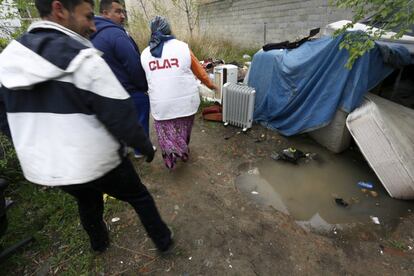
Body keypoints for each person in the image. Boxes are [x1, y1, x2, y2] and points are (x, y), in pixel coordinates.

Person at [0, 0, 172, 253]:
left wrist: (32, 150)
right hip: (96, 160)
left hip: (54, 166)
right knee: (139, 196)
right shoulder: (82, 57)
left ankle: (99, 243)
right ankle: (164, 241)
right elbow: (119, 114)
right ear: (59, 9)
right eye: (88, 16)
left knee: (87, 198)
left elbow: (6, 120)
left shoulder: (9, 59)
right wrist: (144, 146)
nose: (93, 26)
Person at [141, 16, 217, 170]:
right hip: (186, 103)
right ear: (168, 30)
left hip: (161, 104)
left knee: (165, 132)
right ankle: (182, 150)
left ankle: (170, 158)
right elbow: (200, 73)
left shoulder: (145, 54)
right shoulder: (182, 47)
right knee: (183, 129)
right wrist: (212, 85)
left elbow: (146, 78)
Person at [91, 0, 152, 159]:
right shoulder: (116, 33)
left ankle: (124, 147)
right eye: (118, 12)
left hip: (108, 91)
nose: (123, 16)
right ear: (105, 13)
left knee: (119, 121)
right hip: (130, 89)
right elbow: (133, 64)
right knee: (141, 116)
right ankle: (140, 150)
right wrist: (143, 86)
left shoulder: (92, 35)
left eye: (123, 11)